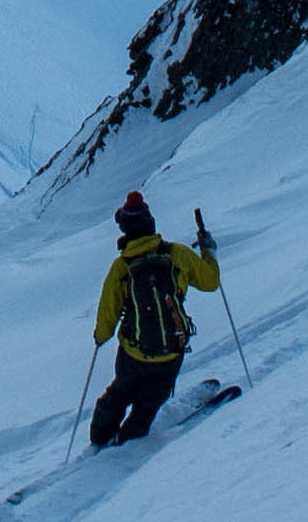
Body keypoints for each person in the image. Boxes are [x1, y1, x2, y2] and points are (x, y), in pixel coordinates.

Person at [86, 192, 219, 447]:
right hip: (170, 351)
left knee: (120, 391)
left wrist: (100, 337)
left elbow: (108, 312)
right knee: (148, 403)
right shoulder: (176, 254)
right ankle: (129, 442)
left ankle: (100, 437)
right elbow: (211, 281)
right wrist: (208, 250)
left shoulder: (121, 267)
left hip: (132, 353)